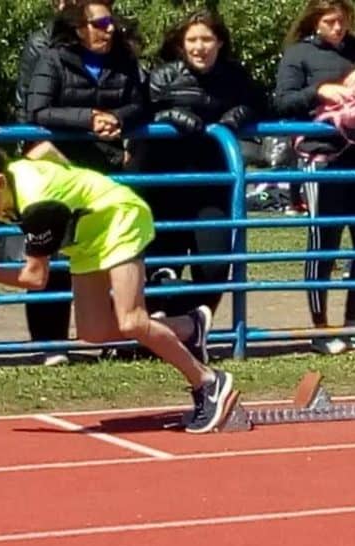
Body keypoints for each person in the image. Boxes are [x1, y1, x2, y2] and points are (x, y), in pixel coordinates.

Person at [0, 141, 235, 434]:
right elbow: (44, 150)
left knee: (132, 320)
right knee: (94, 331)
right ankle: (187, 326)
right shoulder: (16, 174)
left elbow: (35, 279)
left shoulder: (38, 205)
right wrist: (73, 186)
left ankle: (209, 381)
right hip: (86, 239)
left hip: (119, 219)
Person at [24, 0, 147, 365]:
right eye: (101, 23)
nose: (110, 29)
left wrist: (117, 119)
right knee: (56, 255)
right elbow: (38, 110)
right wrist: (88, 119)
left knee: (107, 255)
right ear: (80, 27)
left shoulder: (123, 60)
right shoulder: (53, 59)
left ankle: (112, 337)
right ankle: (51, 344)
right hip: (60, 173)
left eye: (112, 22)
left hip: (104, 173)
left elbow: (141, 103)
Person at [131, 8, 263, 318]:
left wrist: (239, 115)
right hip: (165, 186)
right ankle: (152, 334)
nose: (199, 47)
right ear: (180, 44)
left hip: (211, 184)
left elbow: (261, 103)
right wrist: (166, 116)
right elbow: (138, 113)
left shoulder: (235, 76)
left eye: (207, 39)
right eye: (192, 39)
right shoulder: (163, 76)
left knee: (215, 265)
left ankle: (193, 328)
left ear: (220, 43)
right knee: (162, 266)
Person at [274, 0, 355, 355]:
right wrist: (319, 91)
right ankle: (320, 329)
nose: (338, 28)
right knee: (324, 244)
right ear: (315, 22)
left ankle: (353, 325)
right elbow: (281, 102)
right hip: (321, 159)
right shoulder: (298, 54)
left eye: (343, 21)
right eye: (330, 21)